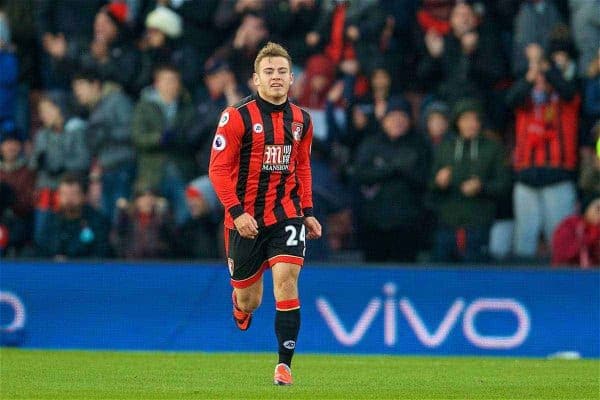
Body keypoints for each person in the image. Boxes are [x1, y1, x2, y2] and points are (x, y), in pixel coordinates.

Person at [208, 42, 321, 386]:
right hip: (245, 221)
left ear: (291, 79)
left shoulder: (302, 119)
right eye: (269, 72)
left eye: (282, 71)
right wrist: (237, 211)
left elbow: (302, 165)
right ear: (256, 79)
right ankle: (240, 305)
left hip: (286, 214)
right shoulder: (236, 116)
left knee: (286, 282)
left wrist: (308, 211)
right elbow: (218, 169)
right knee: (251, 299)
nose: (276, 77)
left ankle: (284, 365)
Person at [36, 173, 111, 259]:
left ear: (83, 196)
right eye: (64, 194)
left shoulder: (97, 221)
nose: (68, 199)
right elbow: (41, 251)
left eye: (73, 194)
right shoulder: (51, 221)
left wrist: (72, 262)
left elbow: (101, 253)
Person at [551, 196, 600, 267]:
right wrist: (591, 236)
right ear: (586, 209)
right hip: (568, 274)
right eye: (598, 209)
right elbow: (563, 254)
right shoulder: (569, 225)